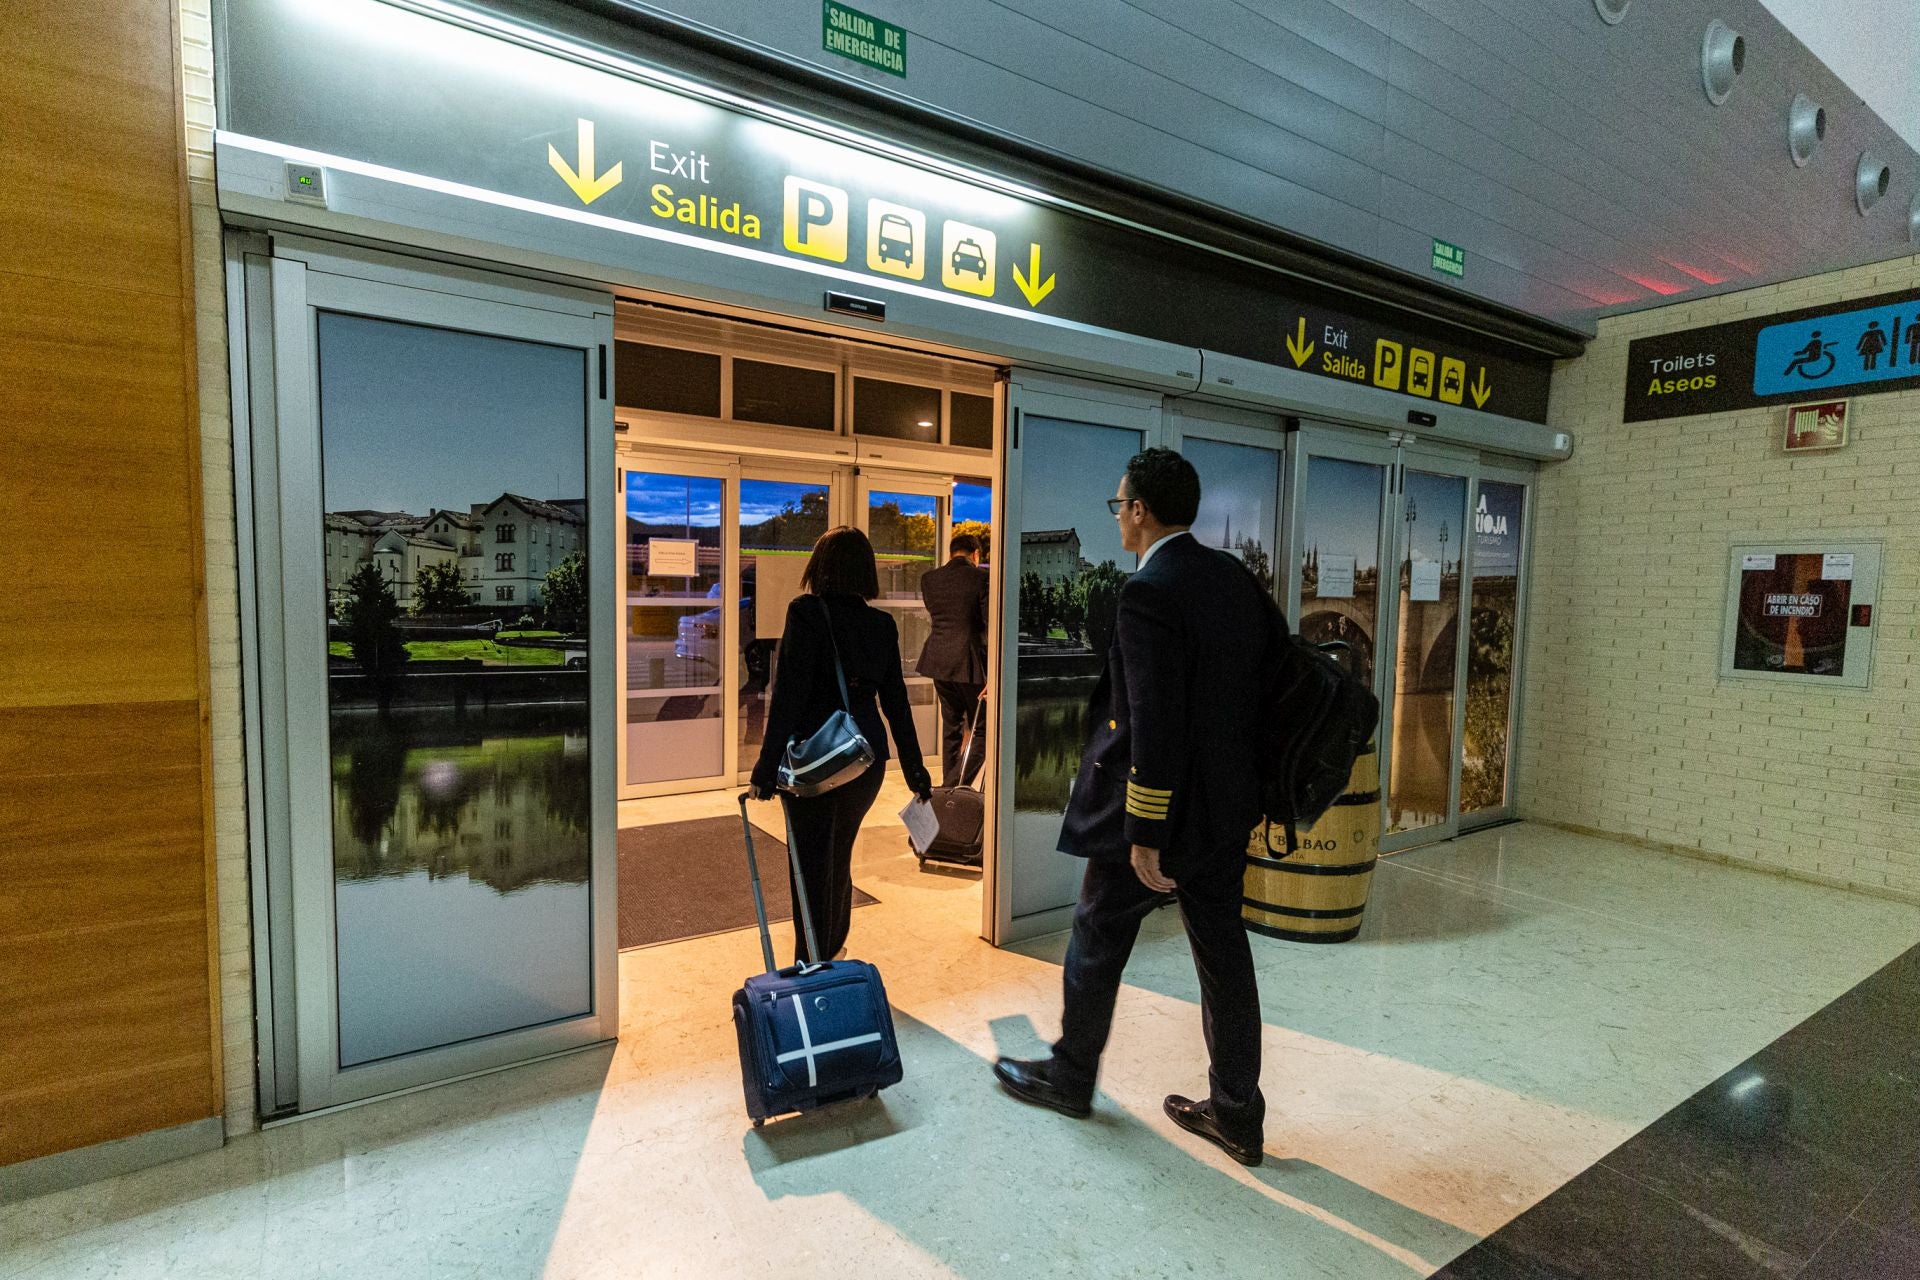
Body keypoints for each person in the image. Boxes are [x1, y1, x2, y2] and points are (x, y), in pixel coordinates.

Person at [993, 448, 1281, 1168]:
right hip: (1221, 815)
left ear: (1141, 510)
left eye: (1120, 505)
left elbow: (1152, 719)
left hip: (1159, 818)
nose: (1118, 517)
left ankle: (1070, 1076)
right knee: (1223, 956)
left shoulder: (1149, 590)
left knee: (1095, 936)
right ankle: (1239, 1115)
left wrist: (1144, 832)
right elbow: (1270, 690)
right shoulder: (1235, 579)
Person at [750, 527, 933, 963]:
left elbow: (788, 696)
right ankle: (829, 952)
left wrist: (765, 767)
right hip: (863, 762)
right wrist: (915, 770)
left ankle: (811, 966)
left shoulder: (806, 613)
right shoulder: (881, 624)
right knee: (836, 860)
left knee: (809, 868)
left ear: (821, 567)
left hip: (815, 761)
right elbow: (896, 703)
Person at [917, 532, 990, 787]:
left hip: (938, 661)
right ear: (975, 554)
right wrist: (994, 671)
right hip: (971, 664)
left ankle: (948, 790)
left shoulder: (930, 579)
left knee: (952, 728)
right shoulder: (982, 577)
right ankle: (954, 787)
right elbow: (989, 625)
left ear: (951, 553)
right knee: (984, 729)